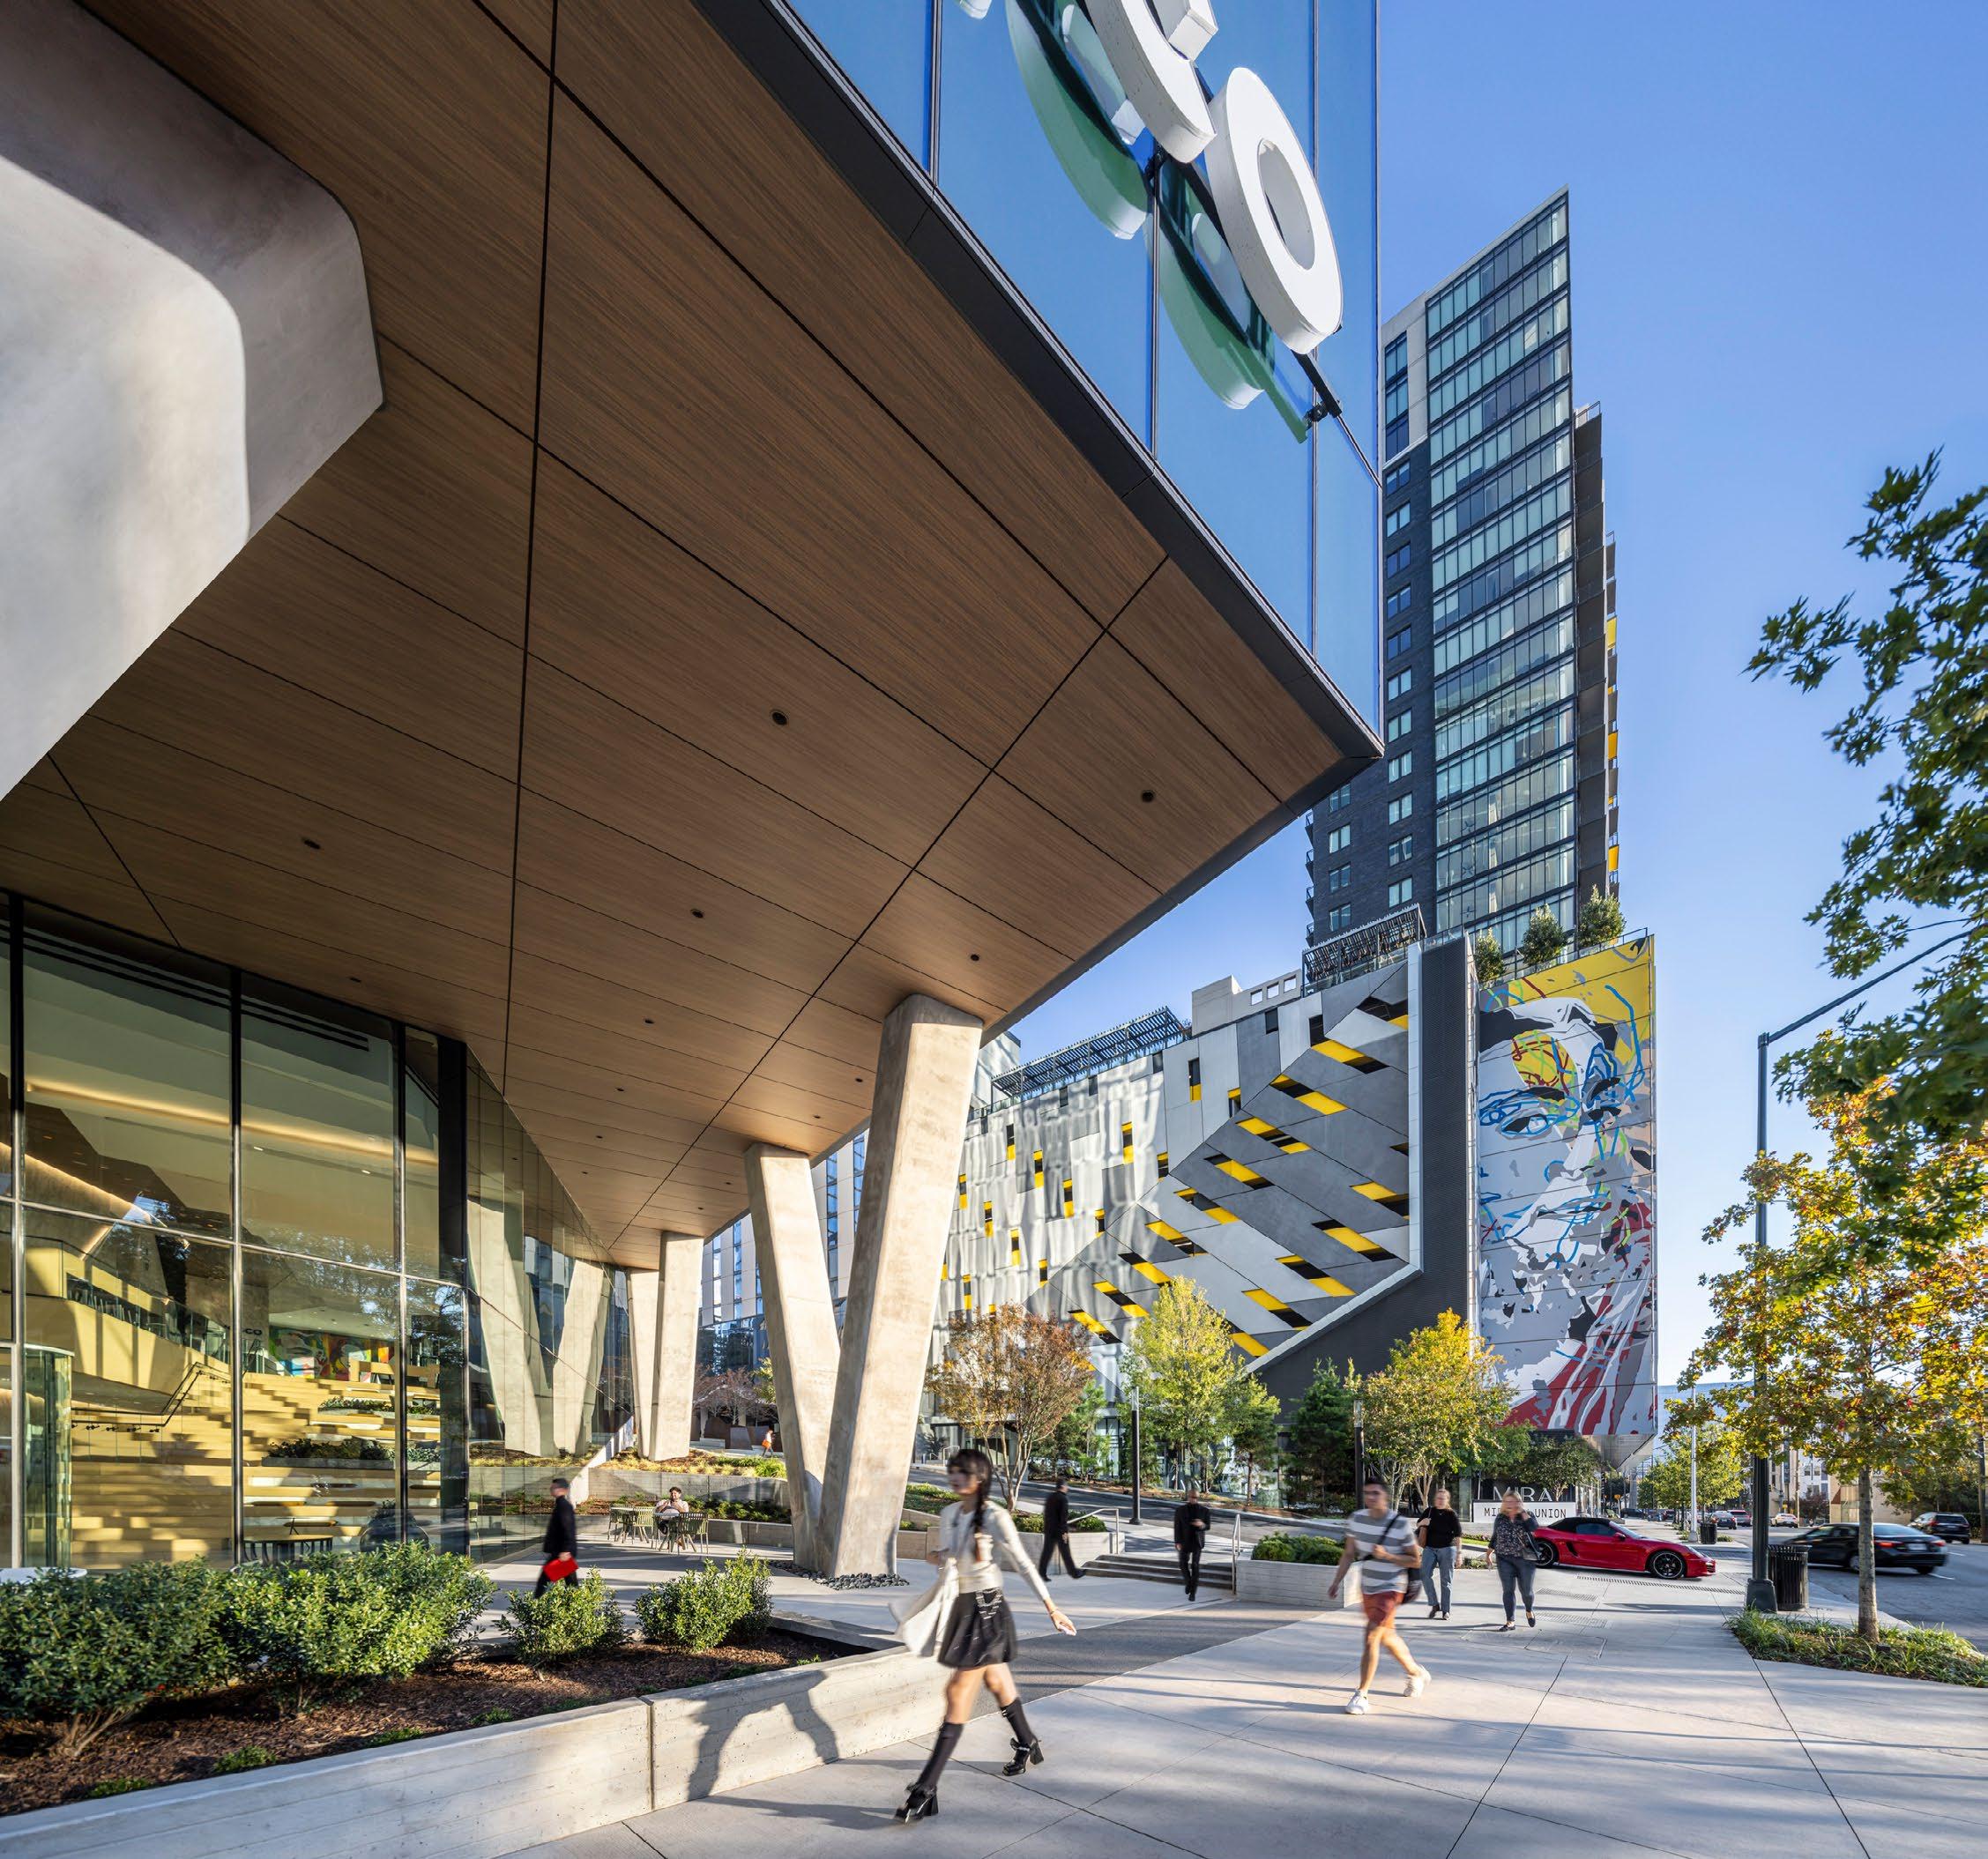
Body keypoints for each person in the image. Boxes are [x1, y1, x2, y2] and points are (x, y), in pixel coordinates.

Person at [896, 1448, 1076, 1824]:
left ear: (979, 1478)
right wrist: (940, 1556)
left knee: (958, 1691)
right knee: (996, 1681)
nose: (954, 1477)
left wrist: (1052, 1607)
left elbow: (1023, 1563)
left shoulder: (995, 1515)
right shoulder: (949, 1513)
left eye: (962, 1472)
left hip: (988, 1609)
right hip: (962, 1606)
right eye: (952, 1471)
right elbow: (949, 1556)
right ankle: (1027, 1742)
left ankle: (926, 1788)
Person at [1328, 1476, 1431, 1714]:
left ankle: (1361, 1695)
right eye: (1367, 1493)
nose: (1371, 1497)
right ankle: (1416, 1672)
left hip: (1392, 1587)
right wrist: (1336, 1581)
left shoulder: (1399, 1524)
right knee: (1387, 1636)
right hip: (1368, 1587)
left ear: (1385, 1496)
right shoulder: (1357, 1519)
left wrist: (1387, 1556)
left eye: (1376, 1493)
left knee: (1371, 1636)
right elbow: (1348, 1554)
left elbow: (1415, 1560)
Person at [1490, 1491, 1540, 1630]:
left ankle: (1529, 1610)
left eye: (1512, 1501)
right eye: (1507, 1501)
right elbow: (1495, 1536)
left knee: (1526, 1592)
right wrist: (1489, 1552)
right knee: (1508, 1590)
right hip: (1504, 1558)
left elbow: (1534, 1527)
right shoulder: (1500, 1517)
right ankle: (1510, 1621)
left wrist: (1522, 1513)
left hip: (1525, 1559)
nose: (1509, 1504)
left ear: (1518, 1502)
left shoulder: (1527, 1515)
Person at [1417, 1487, 1463, 1618]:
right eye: (1438, 1498)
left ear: (1447, 1500)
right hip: (1430, 1548)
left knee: (1446, 1581)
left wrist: (1459, 1554)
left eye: (1443, 1498)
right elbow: (1418, 1524)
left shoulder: (1451, 1514)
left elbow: (1458, 1535)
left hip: (1447, 1549)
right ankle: (1434, 1604)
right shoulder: (1429, 1511)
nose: (1440, 1500)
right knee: (1424, 1574)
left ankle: (1446, 1610)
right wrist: (1423, 1522)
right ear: (1435, 1499)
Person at [535, 1476, 578, 1596]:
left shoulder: (564, 1506)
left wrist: (566, 1550)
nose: (551, 1489)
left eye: (553, 1487)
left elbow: (568, 1528)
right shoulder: (561, 1505)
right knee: (571, 1584)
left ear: (562, 1490)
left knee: (544, 1581)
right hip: (561, 1552)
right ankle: (577, 1604)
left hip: (562, 1553)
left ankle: (536, 1601)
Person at [1038, 1476, 1083, 1580]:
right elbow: (1063, 1518)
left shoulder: (1050, 1497)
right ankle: (1074, 1573)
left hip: (1049, 1530)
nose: (1067, 1488)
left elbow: (1046, 1514)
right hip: (1060, 1531)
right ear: (1063, 1486)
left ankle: (1041, 1573)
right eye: (1066, 1486)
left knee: (1047, 1552)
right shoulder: (1063, 1499)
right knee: (1066, 1552)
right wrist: (1065, 1532)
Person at [1173, 1488, 1213, 1601]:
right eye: (1192, 1497)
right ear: (1188, 1497)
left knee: (1195, 1566)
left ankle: (1193, 1593)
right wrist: (1177, 1541)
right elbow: (1177, 1527)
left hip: (1197, 1542)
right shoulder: (1180, 1510)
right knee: (1182, 1564)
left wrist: (1201, 1525)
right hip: (1184, 1541)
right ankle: (1188, 1582)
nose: (1194, 1499)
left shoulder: (1204, 1511)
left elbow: (1208, 1526)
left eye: (1196, 1497)